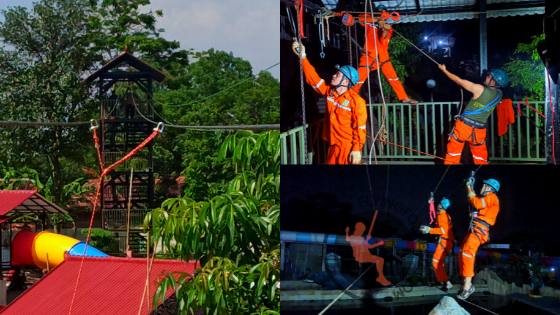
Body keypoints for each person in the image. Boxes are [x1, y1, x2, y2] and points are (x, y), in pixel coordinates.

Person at [292, 41, 367, 164]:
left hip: (347, 148)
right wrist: (303, 57)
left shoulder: (357, 102)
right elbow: (314, 80)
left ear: (346, 82)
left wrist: (357, 150)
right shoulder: (330, 93)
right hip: (332, 145)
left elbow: (360, 128)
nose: (333, 76)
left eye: (338, 75)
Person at [439, 65, 509, 164]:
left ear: (493, 81)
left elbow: (459, 80)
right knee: (480, 159)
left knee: (453, 156)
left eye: (489, 76)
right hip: (479, 131)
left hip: (464, 127)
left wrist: (444, 70)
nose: (486, 77)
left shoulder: (479, 89)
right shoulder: (499, 94)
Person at [457, 176, 501, 300]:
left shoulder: (492, 197)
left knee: (467, 252)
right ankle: (465, 280)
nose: (482, 187)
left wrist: (470, 186)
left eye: (484, 185)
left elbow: (476, 202)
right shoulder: (489, 200)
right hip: (476, 229)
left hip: (479, 231)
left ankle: (468, 286)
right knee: (462, 251)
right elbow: (477, 204)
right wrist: (469, 188)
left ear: (489, 188)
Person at [358, 20, 417, 105]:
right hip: (369, 56)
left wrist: (384, 29)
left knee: (394, 78)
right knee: (359, 78)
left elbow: (383, 39)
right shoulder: (369, 21)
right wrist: (377, 21)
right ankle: (348, 94)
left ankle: (404, 97)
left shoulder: (389, 29)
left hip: (383, 58)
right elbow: (360, 20)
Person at [420, 197, 455, 291]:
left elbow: (443, 230)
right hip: (447, 242)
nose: (437, 204)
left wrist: (429, 230)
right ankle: (445, 282)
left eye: (439, 203)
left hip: (444, 241)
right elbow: (433, 214)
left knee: (435, 262)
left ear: (441, 206)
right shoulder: (444, 215)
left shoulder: (442, 216)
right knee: (439, 263)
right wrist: (431, 203)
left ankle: (446, 282)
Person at [345, 221, 391, 286]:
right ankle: (380, 277)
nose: (362, 231)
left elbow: (348, 239)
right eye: (362, 230)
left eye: (363, 230)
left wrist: (367, 240)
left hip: (365, 255)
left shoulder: (357, 237)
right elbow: (368, 246)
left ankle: (380, 277)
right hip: (361, 256)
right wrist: (378, 243)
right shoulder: (357, 238)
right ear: (358, 229)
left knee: (380, 260)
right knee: (379, 260)